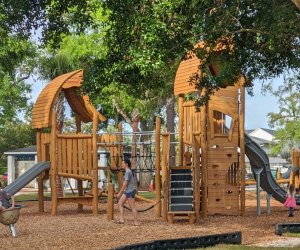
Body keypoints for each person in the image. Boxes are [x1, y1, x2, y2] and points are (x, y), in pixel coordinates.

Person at [115, 159, 139, 226]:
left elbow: (125, 184)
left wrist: (119, 193)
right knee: (120, 203)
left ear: (126, 164)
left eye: (123, 163)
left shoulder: (128, 172)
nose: (122, 164)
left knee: (132, 207)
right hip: (127, 191)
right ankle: (122, 219)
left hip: (130, 191)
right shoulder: (127, 172)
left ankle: (136, 222)